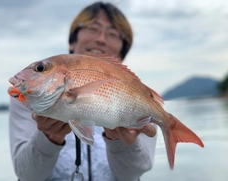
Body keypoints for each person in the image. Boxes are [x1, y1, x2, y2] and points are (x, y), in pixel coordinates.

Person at [9, 2, 157, 181]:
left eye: (113, 34)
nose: (101, 39)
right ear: (73, 41)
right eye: (93, 28)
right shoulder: (28, 97)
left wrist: (120, 142)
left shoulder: (137, 96)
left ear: (122, 50)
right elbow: (26, 175)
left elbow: (131, 175)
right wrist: (49, 138)